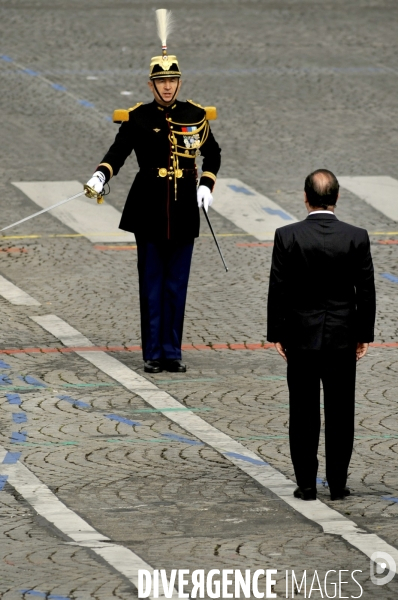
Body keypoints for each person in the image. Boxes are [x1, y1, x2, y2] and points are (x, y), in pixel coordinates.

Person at [84, 10, 221, 374]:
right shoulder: (139, 117)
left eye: (172, 80)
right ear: (150, 84)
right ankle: (152, 353)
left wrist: (206, 184)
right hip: (148, 207)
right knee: (151, 286)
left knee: (177, 285)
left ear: (179, 82)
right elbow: (119, 152)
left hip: (183, 209)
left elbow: (214, 152)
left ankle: (172, 351)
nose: (167, 87)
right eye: (161, 82)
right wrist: (100, 175)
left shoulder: (194, 114)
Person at [267, 169, 376, 501]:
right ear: (337, 198)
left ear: (305, 197)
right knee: (341, 412)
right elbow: (366, 292)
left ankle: (307, 484)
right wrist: (364, 335)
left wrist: (277, 333)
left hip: (301, 335)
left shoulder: (287, 236)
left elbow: (278, 289)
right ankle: (338, 484)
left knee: (302, 412)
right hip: (342, 335)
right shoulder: (356, 236)